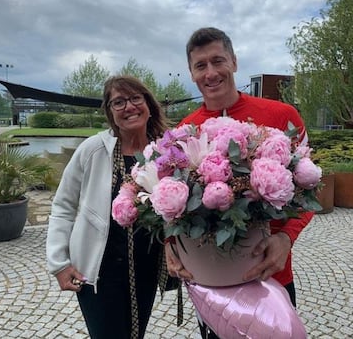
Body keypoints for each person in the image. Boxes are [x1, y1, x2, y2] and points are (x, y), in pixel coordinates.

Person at [165, 27, 314, 338]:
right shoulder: (184, 130)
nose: (211, 72)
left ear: (234, 61)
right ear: (191, 73)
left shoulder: (282, 116)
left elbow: (308, 189)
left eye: (218, 60)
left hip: (270, 274)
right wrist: (170, 244)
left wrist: (286, 238)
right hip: (210, 283)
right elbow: (168, 203)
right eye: (200, 65)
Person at [46, 76, 169, 339]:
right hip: (99, 272)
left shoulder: (165, 151)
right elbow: (63, 205)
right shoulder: (92, 149)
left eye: (136, 98)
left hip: (146, 267)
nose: (129, 107)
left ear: (148, 104)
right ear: (110, 112)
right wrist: (59, 263)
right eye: (119, 102)